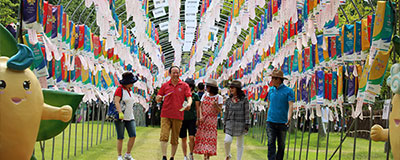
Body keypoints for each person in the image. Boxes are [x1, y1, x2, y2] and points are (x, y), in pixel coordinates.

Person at [156, 66, 193, 160]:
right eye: (174, 73)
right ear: (169, 74)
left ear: (179, 73)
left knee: (175, 138)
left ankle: (172, 157)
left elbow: (189, 97)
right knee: (164, 135)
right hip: (165, 114)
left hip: (178, 115)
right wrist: (158, 98)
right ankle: (164, 156)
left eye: (177, 72)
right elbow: (158, 97)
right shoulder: (165, 85)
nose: (176, 74)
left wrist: (189, 103)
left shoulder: (184, 85)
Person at [266, 70, 294, 160]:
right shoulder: (271, 90)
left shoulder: (288, 91)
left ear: (279, 79)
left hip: (282, 122)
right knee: (270, 143)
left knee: (281, 145)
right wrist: (268, 116)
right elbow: (269, 104)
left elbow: (290, 105)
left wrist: (289, 117)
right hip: (270, 121)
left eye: (273, 78)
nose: (272, 80)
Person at [193, 79, 223, 160]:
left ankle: (207, 156)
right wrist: (200, 116)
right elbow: (200, 106)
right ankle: (205, 156)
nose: (206, 88)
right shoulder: (204, 95)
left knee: (209, 139)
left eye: (208, 87)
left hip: (212, 121)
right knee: (203, 138)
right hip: (203, 120)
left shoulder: (219, 97)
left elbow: (220, 110)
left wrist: (216, 105)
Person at [114, 72, 138, 160]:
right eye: (132, 82)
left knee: (133, 135)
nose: (133, 83)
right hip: (121, 117)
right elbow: (116, 101)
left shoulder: (130, 90)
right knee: (120, 137)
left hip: (130, 116)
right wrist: (120, 113)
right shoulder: (119, 89)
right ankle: (119, 155)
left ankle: (128, 154)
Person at [223, 80, 250, 160]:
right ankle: (228, 155)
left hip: (240, 123)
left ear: (237, 89)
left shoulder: (244, 100)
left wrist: (247, 124)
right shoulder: (228, 100)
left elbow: (247, 112)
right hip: (229, 123)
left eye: (232, 88)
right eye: (230, 88)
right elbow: (226, 113)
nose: (230, 89)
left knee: (240, 144)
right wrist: (224, 123)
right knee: (227, 141)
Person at [180, 78, 201, 160]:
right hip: (182, 119)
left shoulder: (195, 96)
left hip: (192, 119)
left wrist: (198, 119)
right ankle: (185, 156)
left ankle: (191, 153)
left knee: (192, 137)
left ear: (192, 87)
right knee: (183, 138)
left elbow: (197, 108)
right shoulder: (181, 95)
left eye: (189, 86)